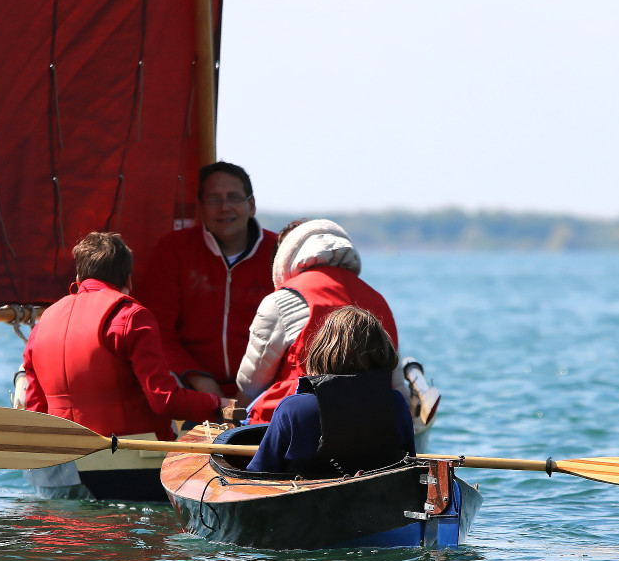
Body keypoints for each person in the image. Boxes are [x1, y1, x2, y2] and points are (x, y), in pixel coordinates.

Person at [21, 231, 230, 441]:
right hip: (128, 449)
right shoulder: (132, 317)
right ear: (128, 281)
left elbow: (35, 408)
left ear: (78, 279)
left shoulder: (42, 325)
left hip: (64, 451)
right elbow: (164, 399)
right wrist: (216, 403)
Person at [237, 218, 409, 424]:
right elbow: (395, 380)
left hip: (300, 420)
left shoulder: (281, 300)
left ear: (284, 258)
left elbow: (251, 385)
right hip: (374, 422)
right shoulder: (378, 299)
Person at [135, 161, 276, 399]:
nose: (224, 207)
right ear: (200, 208)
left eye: (234, 197)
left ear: (251, 205)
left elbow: (292, 332)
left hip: (265, 391)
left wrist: (253, 388)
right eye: (213, 199)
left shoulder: (279, 252)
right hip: (190, 387)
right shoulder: (174, 250)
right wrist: (200, 380)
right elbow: (157, 329)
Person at [246, 306, 415, 475]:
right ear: (382, 352)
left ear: (322, 351)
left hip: (309, 499)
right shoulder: (396, 404)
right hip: (379, 497)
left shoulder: (293, 410)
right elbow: (408, 468)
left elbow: (256, 475)